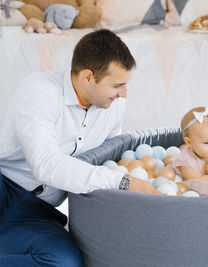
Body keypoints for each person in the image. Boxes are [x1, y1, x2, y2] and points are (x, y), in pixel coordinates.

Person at [0, 29, 160, 267]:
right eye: (118, 84)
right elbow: (46, 164)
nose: (124, 92)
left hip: (37, 211)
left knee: (64, 263)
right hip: (4, 186)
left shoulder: (114, 105)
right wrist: (123, 181)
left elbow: (108, 155)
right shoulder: (39, 91)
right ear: (88, 77)